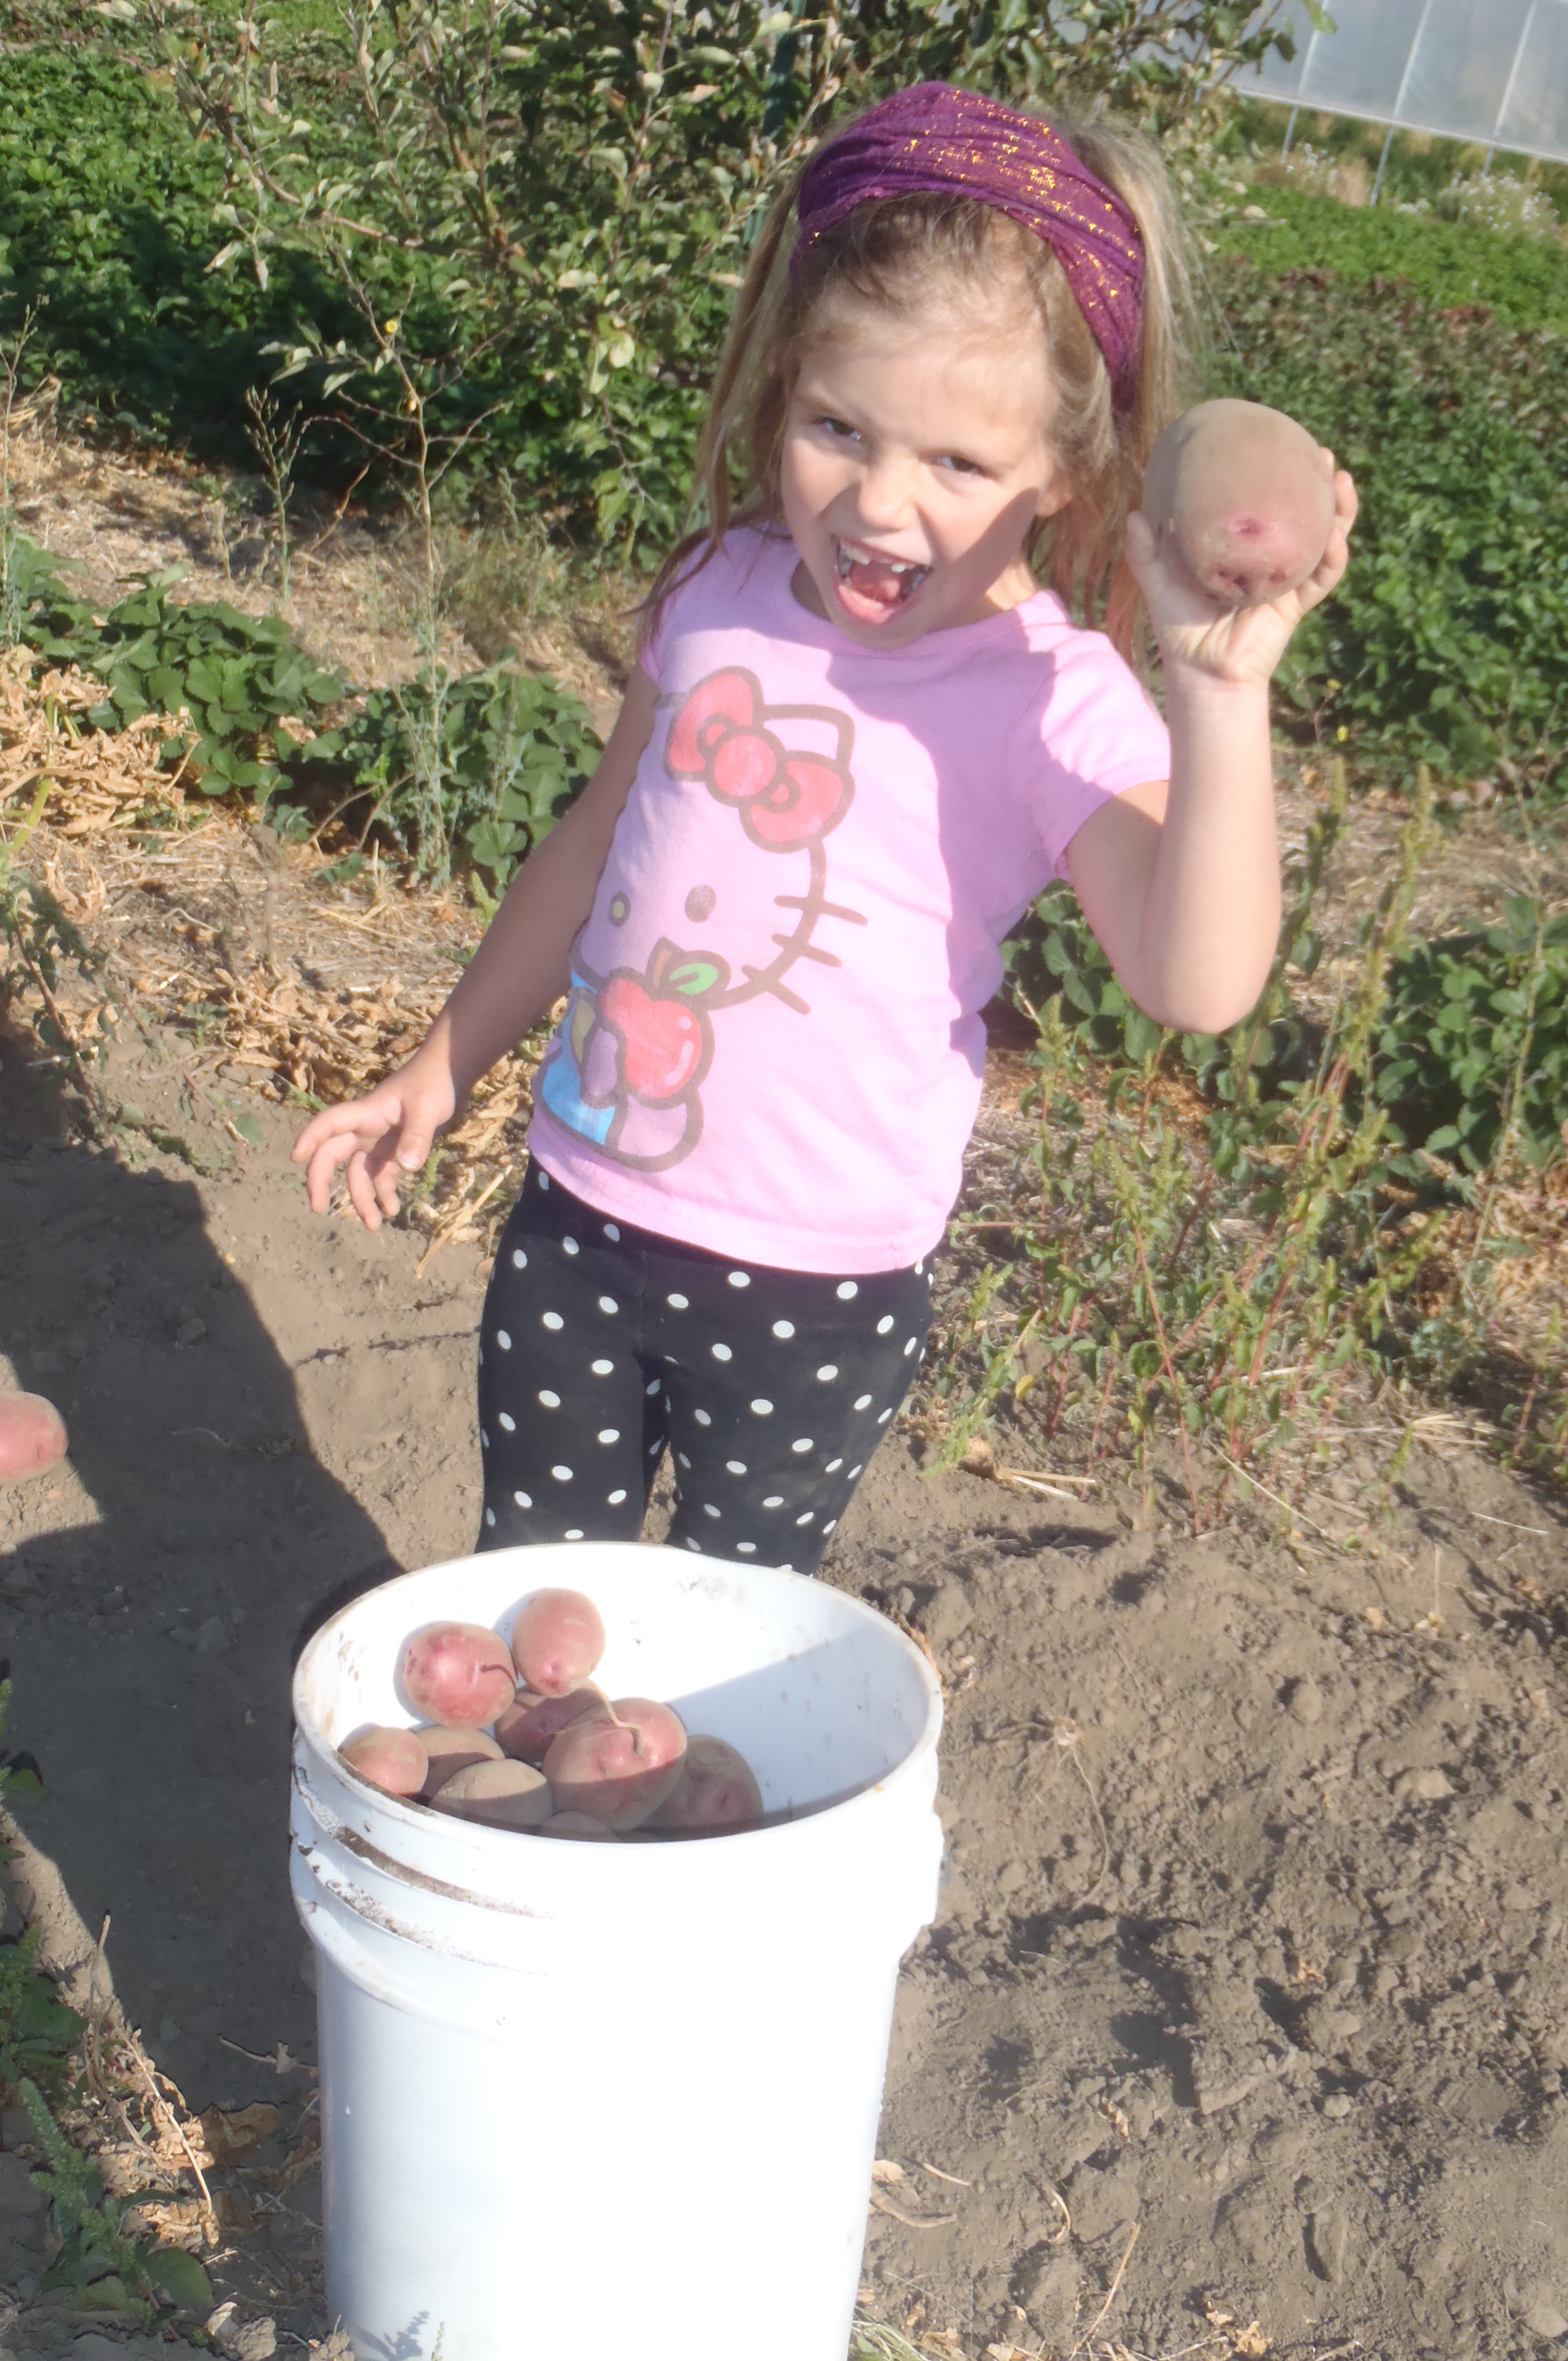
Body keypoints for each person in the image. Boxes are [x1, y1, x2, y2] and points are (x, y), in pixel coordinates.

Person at [292, 81, 1356, 1574]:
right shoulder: (718, 591)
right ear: (779, 386)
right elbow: (595, 847)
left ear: (1062, 468)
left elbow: (1198, 984)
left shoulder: (1052, 698)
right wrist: (441, 1060)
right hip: (577, 1219)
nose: (876, 502)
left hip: (813, 1287)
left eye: (956, 465)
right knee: (534, 1590)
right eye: (833, 427)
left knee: (734, 1635)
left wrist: (1221, 698)